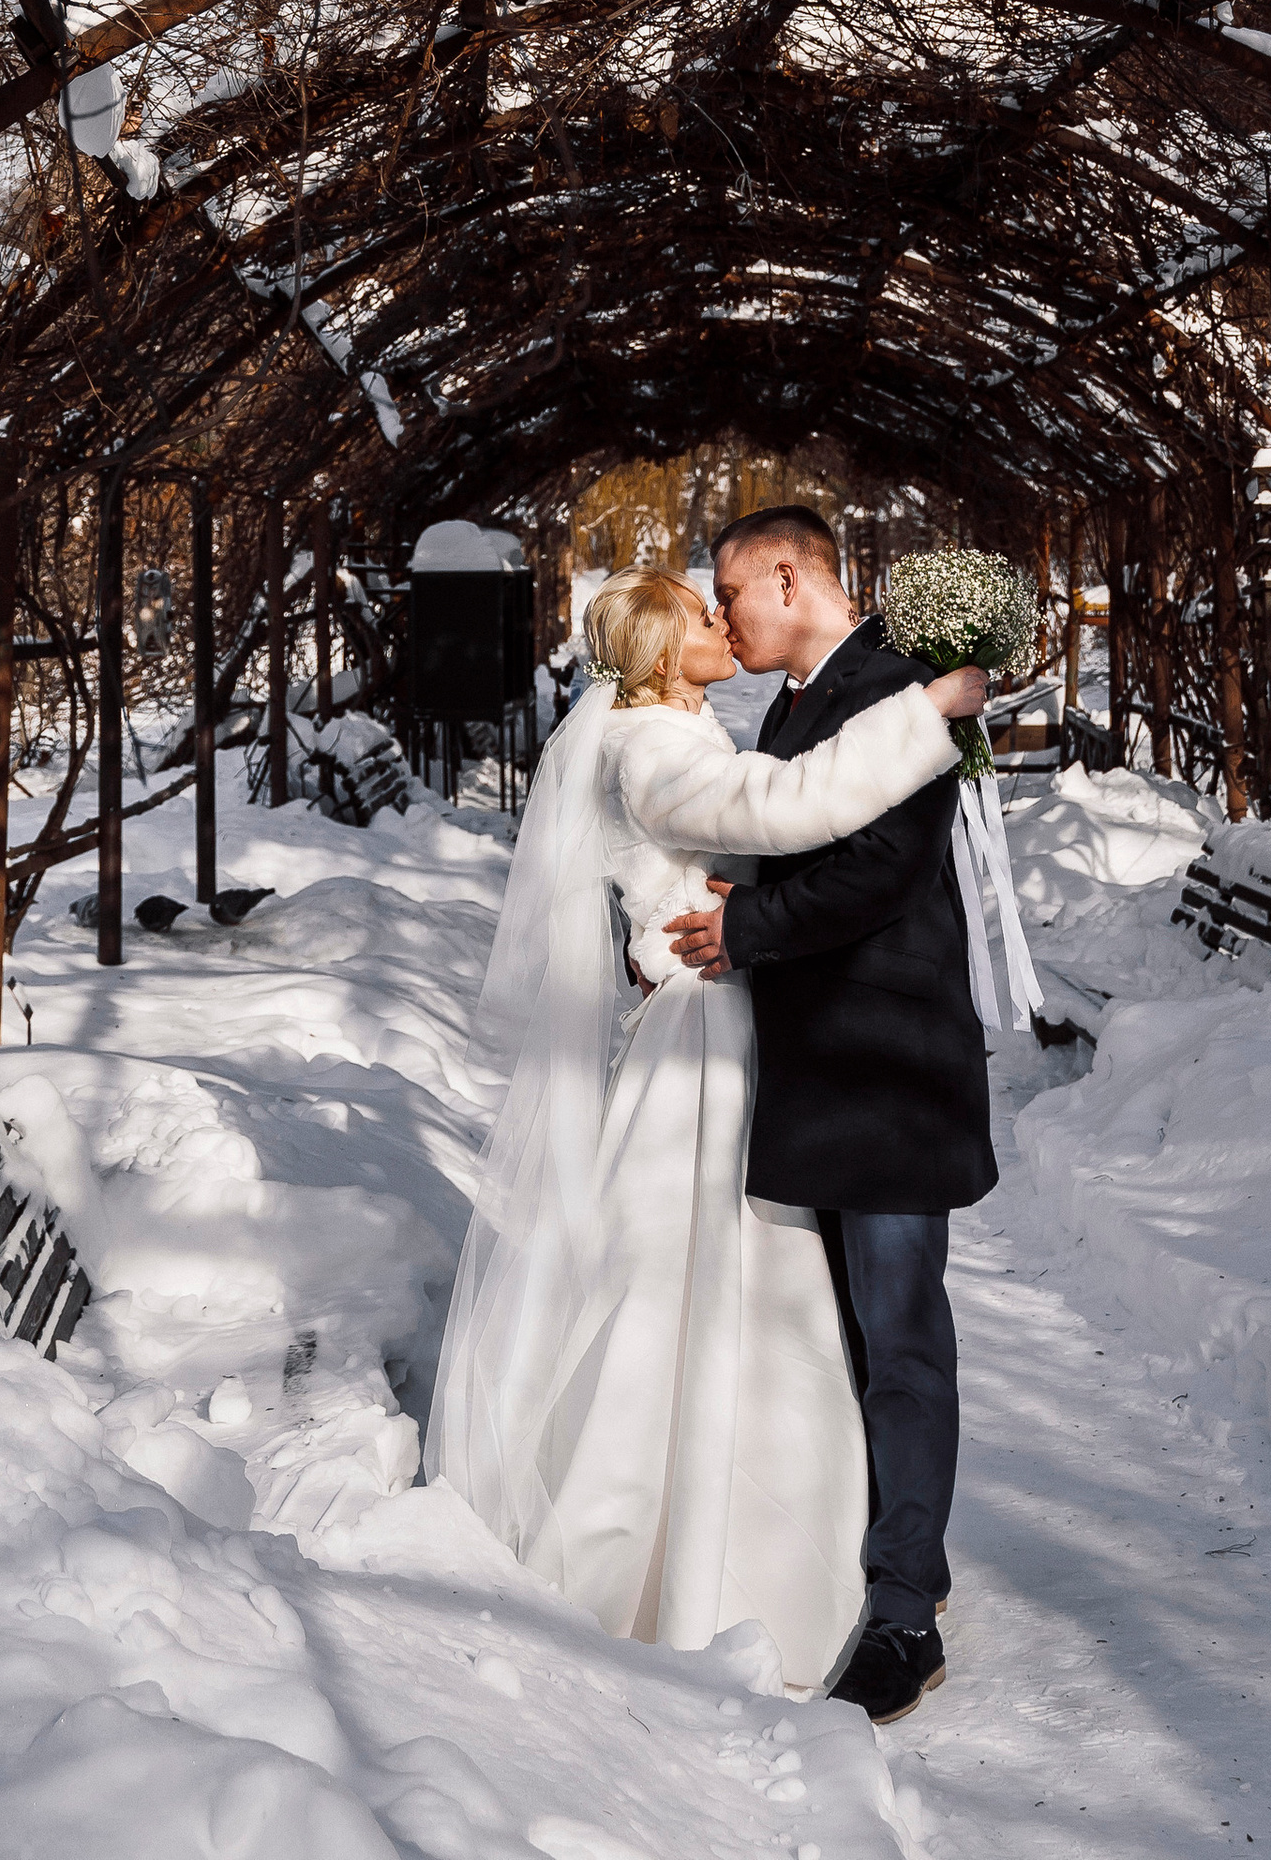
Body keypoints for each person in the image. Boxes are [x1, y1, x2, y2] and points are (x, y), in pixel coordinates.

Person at [428, 567, 988, 1696]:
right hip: (700, 1046)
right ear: (655, 647)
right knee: (697, 1288)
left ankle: (808, 1549)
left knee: (747, 1293)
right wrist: (930, 713)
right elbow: (783, 810)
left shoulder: (691, 728)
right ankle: (713, 1554)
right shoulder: (648, 746)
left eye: (723, 599)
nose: (719, 620)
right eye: (699, 612)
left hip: (741, 1035)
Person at [664, 507, 994, 1728]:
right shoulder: (798, 704)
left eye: (731, 593)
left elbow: (882, 871)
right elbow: (796, 836)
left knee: (900, 1341)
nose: (723, 616)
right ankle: (886, 1559)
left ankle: (904, 1614)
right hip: (820, 1067)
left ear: (789, 576)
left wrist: (742, 928)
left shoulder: (901, 686)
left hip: (891, 1068)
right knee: (847, 1341)